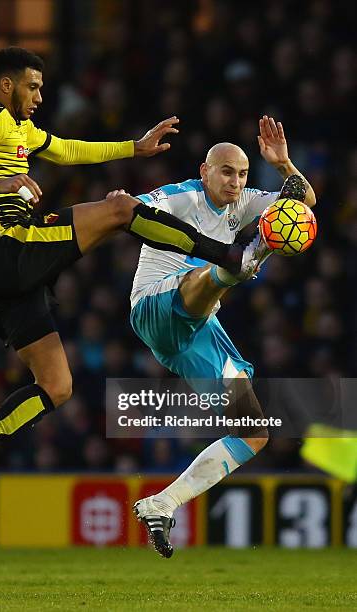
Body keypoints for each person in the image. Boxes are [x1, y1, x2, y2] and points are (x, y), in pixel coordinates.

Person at [0, 47, 255, 508]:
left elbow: (64, 150)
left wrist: (132, 147)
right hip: (2, 249)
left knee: (57, 387)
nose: (39, 95)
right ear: (7, 85)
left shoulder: (21, 128)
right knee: (122, 209)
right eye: (33, 86)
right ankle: (225, 253)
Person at [125, 116, 317, 557]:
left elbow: (303, 203)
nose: (236, 181)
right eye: (227, 171)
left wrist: (284, 164)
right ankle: (240, 263)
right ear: (205, 171)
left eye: (243, 173)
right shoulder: (183, 195)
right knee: (222, 268)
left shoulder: (243, 203)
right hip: (154, 305)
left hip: (194, 331)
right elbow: (131, 211)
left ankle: (161, 503)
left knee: (253, 431)